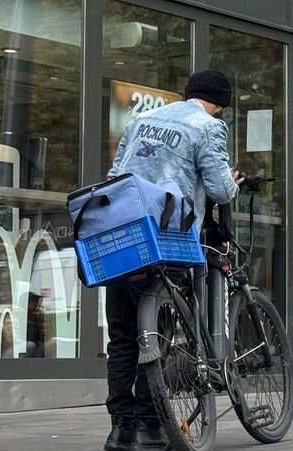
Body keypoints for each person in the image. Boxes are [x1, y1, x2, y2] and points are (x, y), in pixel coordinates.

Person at [103, 70, 245, 451]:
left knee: (122, 339)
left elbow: (115, 176)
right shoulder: (208, 127)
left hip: (123, 236)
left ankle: (120, 429)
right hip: (168, 241)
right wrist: (235, 181)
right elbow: (219, 189)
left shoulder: (142, 120)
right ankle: (151, 427)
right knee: (160, 338)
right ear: (220, 105)